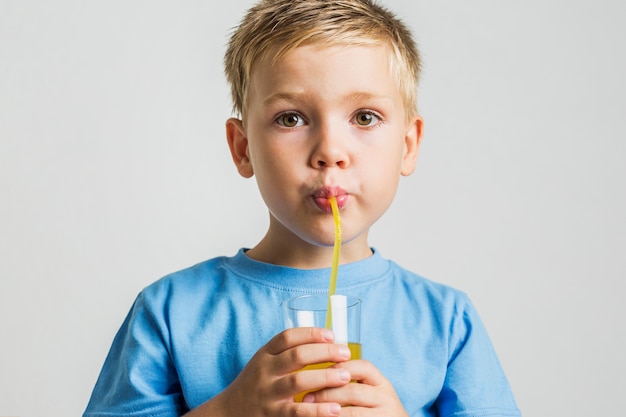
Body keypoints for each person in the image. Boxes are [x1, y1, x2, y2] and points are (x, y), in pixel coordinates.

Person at [84, 1, 521, 416]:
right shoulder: (169, 312)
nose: (330, 151)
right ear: (243, 148)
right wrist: (229, 411)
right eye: (290, 118)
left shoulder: (446, 322)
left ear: (408, 147)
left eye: (365, 117)